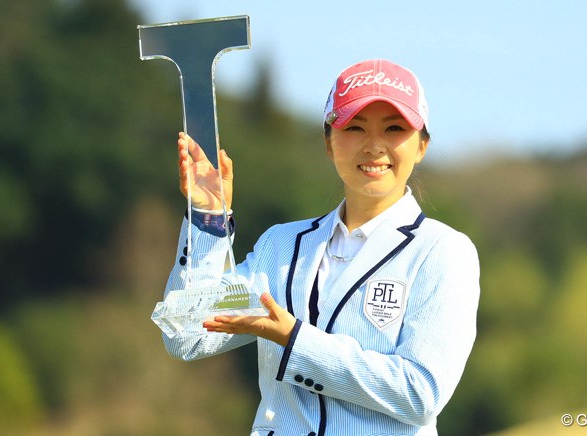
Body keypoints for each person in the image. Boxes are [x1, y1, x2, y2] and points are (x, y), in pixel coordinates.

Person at [161, 59, 480, 436]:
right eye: (355, 128)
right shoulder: (281, 247)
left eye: (394, 128)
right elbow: (186, 334)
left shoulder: (442, 251)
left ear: (422, 145)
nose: (374, 146)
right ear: (329, 143)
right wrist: (208, 218)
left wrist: (295, 340)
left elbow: (420, 393)